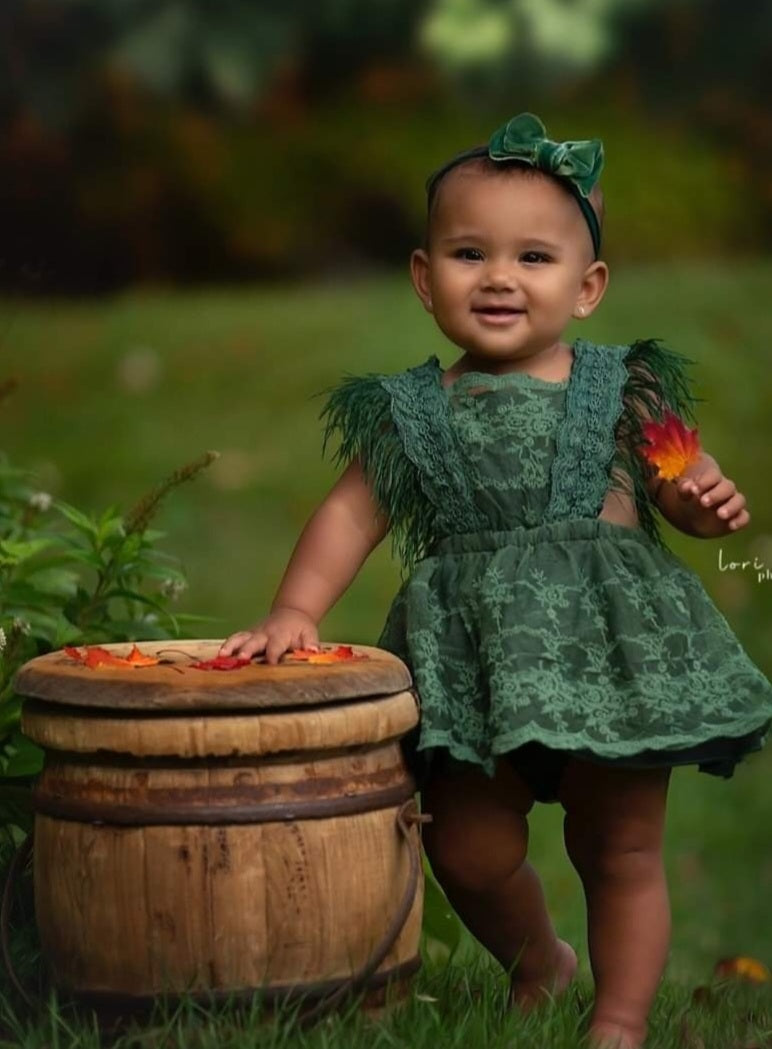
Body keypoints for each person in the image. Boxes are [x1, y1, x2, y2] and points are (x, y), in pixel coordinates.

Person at [220, 113, 772, 1048]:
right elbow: (351, 514)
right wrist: (296, 608)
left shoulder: (624, 388)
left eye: (534, 257)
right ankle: (539, 961)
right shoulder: (413, 409)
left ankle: (621, 1021)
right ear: (424, 277)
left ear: (588, 286)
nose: (501, 277)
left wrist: (699, 498)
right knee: (465, 847)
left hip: (610, 652)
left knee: (620, 846)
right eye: (470, 252)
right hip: (476, 661)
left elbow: (676, 478)